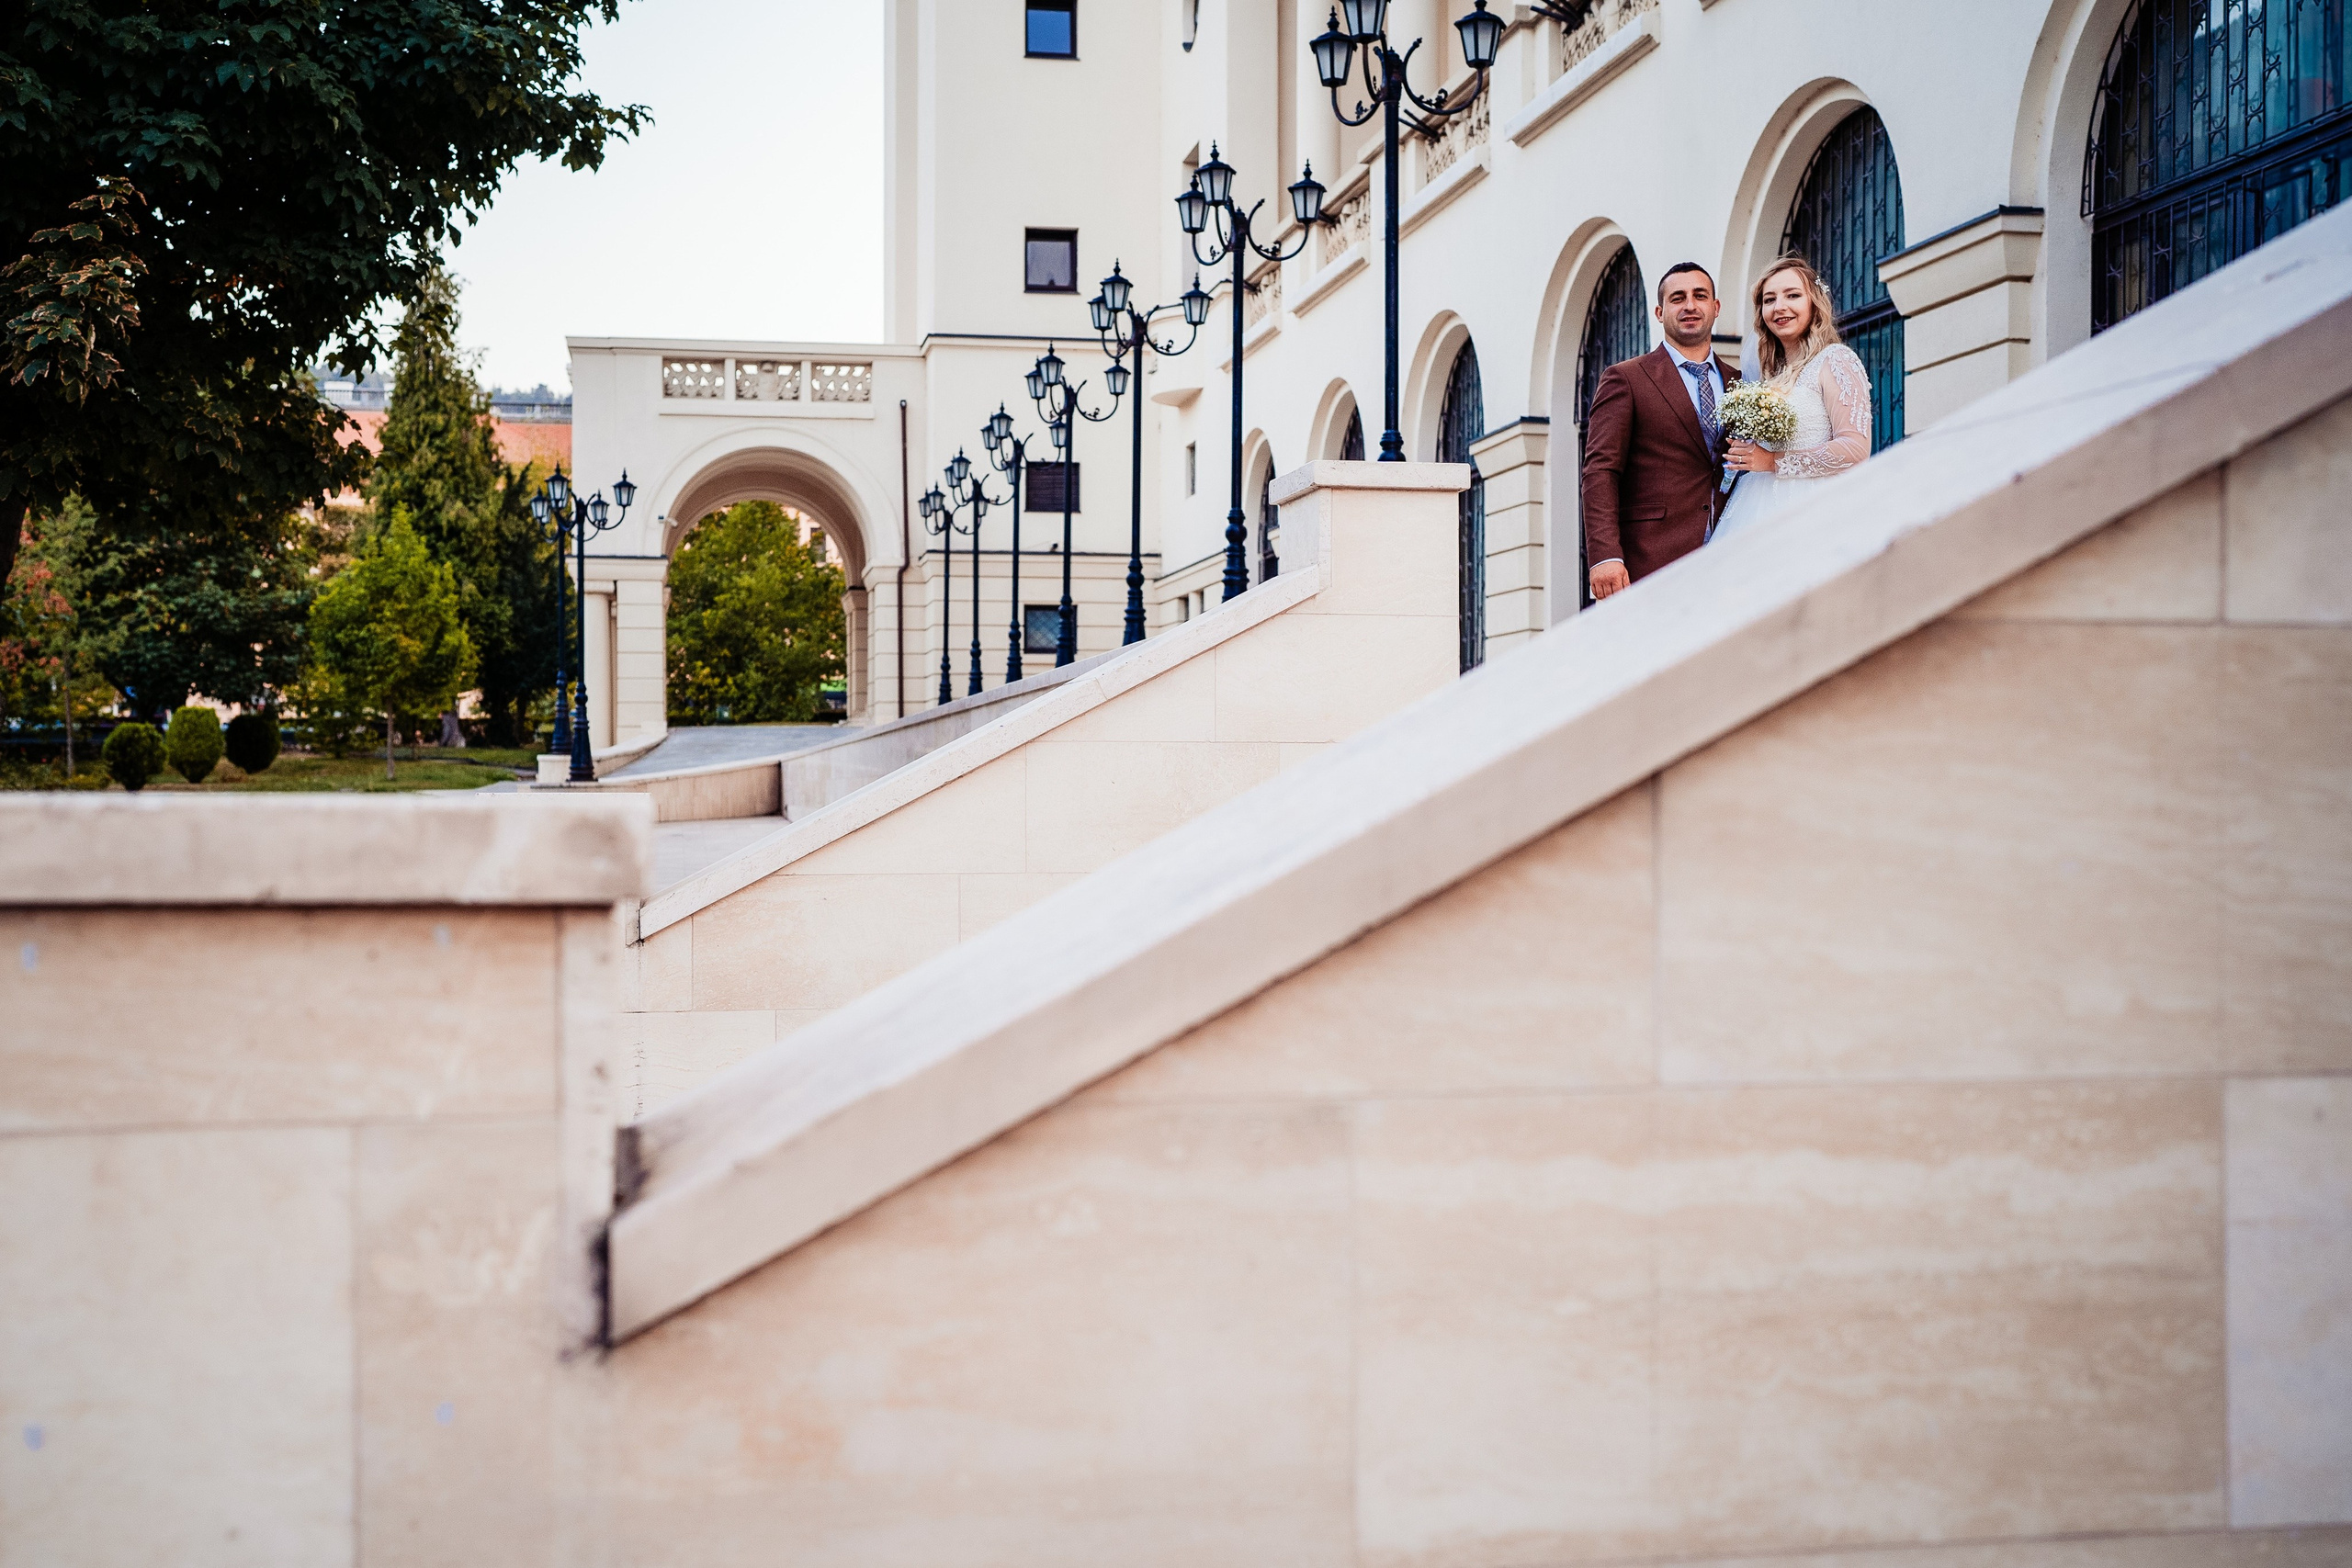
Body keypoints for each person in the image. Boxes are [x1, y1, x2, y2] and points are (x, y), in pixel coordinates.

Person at [1579, 262, 1743, 602]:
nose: (1689, 306)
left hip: (1728, 554)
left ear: (1715, 308)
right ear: (1659, 311)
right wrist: (1605, 555)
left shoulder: (1738, 382)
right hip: (1650, 558)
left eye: (1700, 296)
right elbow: (1600, 470)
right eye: (1677, 298)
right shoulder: (1626, 378)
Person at [1713, 254, 1874, 543]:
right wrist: (1748, 449)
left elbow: (1855, 450)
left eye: (1793, 295)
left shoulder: (1835, 361)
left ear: (1813, 303)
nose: (1780, 307)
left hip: (1816, 510)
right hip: (1755, 507)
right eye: (1769, 299)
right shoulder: (1766, 375)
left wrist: (1773, 461)